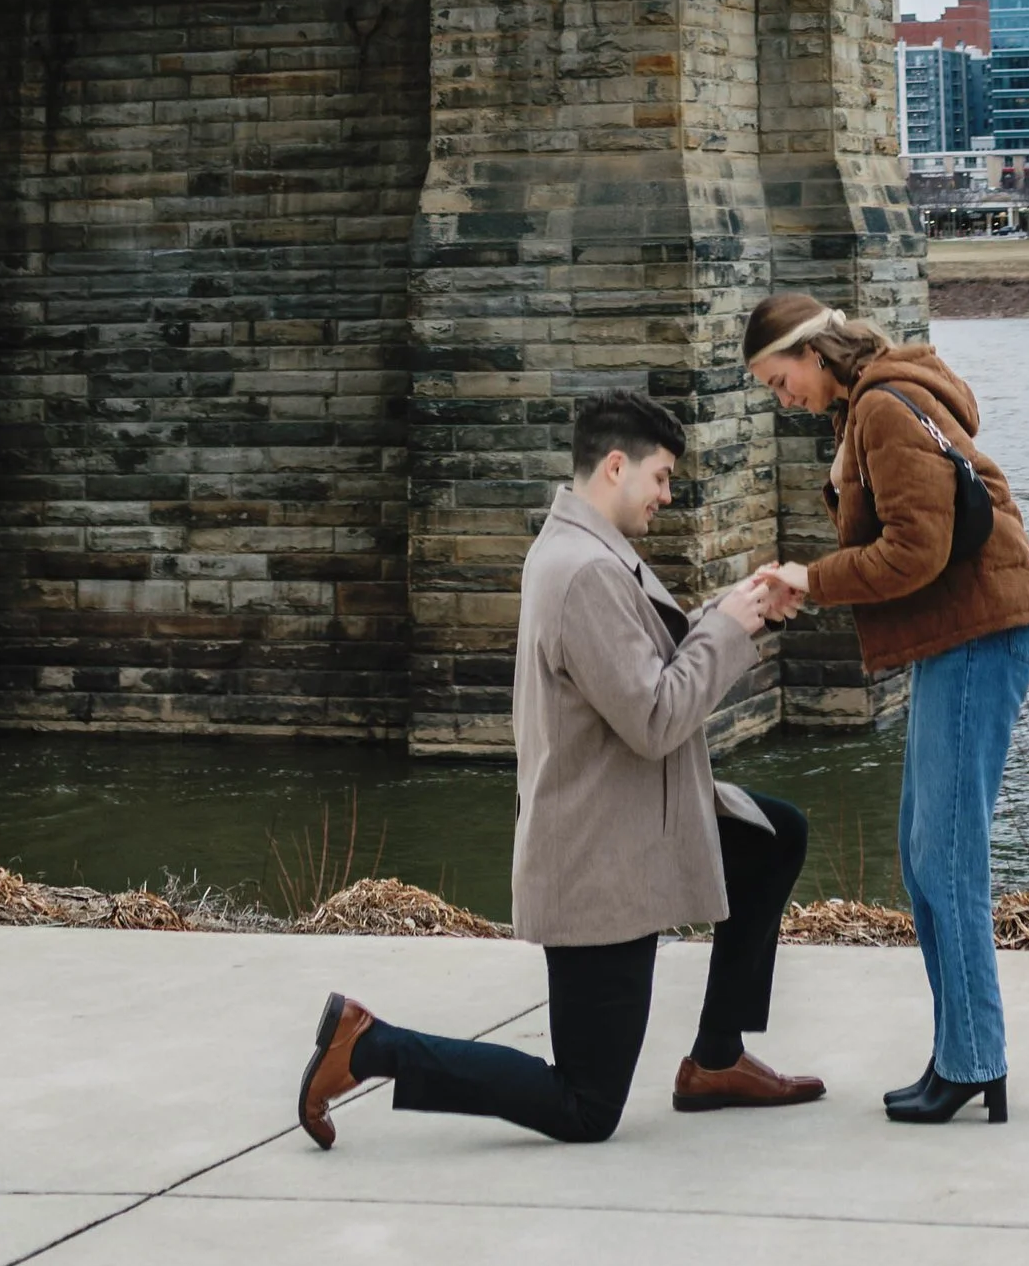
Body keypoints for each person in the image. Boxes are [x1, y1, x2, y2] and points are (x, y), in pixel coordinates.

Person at [299, 388, 825, 1149]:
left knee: (773, 834)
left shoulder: (586, 550)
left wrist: (731, 609)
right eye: (661, 478)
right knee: (585, 1105)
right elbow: (653, 718)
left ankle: (717, 1058)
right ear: (616, 466)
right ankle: (369, 1046)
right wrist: (731, 632)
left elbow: (641, 668)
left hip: (627, 816)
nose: (667, 497)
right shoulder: (584, 572)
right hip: (598, 856)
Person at [744, 294, 1029, 1125]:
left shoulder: (880, 405)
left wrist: (813, 577)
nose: (784, 399)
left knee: (946, 859)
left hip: (981, 634)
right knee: (925, 858)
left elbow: (919, 548)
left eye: (781, 381)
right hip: (962, 634)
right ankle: (960, 1051)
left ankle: (974, 1060)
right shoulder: (870, 406)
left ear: (814, 354)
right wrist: (815, 578)